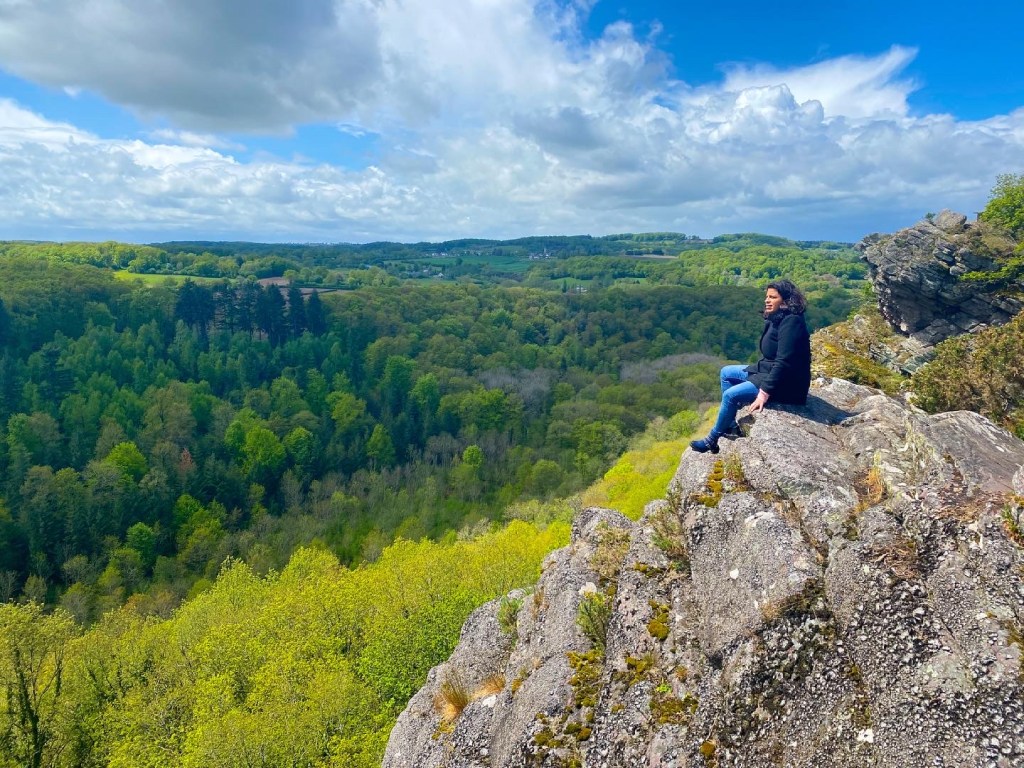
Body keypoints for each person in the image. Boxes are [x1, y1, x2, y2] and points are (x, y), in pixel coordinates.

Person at [690, 279, 811, 454]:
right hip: (767, 369)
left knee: (731, 395)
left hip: (787, 382)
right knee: (726, 373)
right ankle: (730, 425)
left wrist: (764, 393)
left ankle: (712, 440)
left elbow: (784, 362)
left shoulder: (792, 322)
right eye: (767, 296)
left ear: (785, 301)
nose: (767, 300)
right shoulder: (777, 317)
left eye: (773, 297)